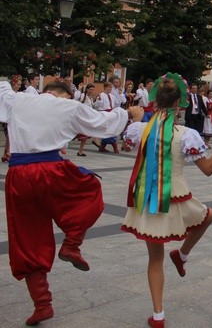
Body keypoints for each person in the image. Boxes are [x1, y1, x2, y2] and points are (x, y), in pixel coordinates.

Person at [1, 79, 136, 326]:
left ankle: (42, 304)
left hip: (18, 174)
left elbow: (3, 89)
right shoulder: (68, 106)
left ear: (45, 91)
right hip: (51, 170)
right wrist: (128, 113)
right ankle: (72, 245)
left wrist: (7, 83)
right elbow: (104, 124)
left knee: (27, 237)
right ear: (64, 94)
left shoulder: (17, 100)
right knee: (89, 190)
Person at [121, 74, 212, 328]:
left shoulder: (141, 130)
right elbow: (207, 169)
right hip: (176, 197)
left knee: (154, 258)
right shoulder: (185, 134)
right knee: (210, 216)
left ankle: (158, 314)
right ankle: (182, 254)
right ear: (179, 105)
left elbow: (129, 144)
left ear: (154, 101)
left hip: (148, 200)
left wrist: (139, 119)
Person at [2, 74, 23, 161]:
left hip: (11, 118)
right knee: (10, 136)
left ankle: (6, 154)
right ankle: (7, 154)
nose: (19, 86)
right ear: (13, 84)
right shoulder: (8, 93)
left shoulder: (15, 94)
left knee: (10, 136)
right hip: (6, 118)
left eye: (20, 85)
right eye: (18, 84)